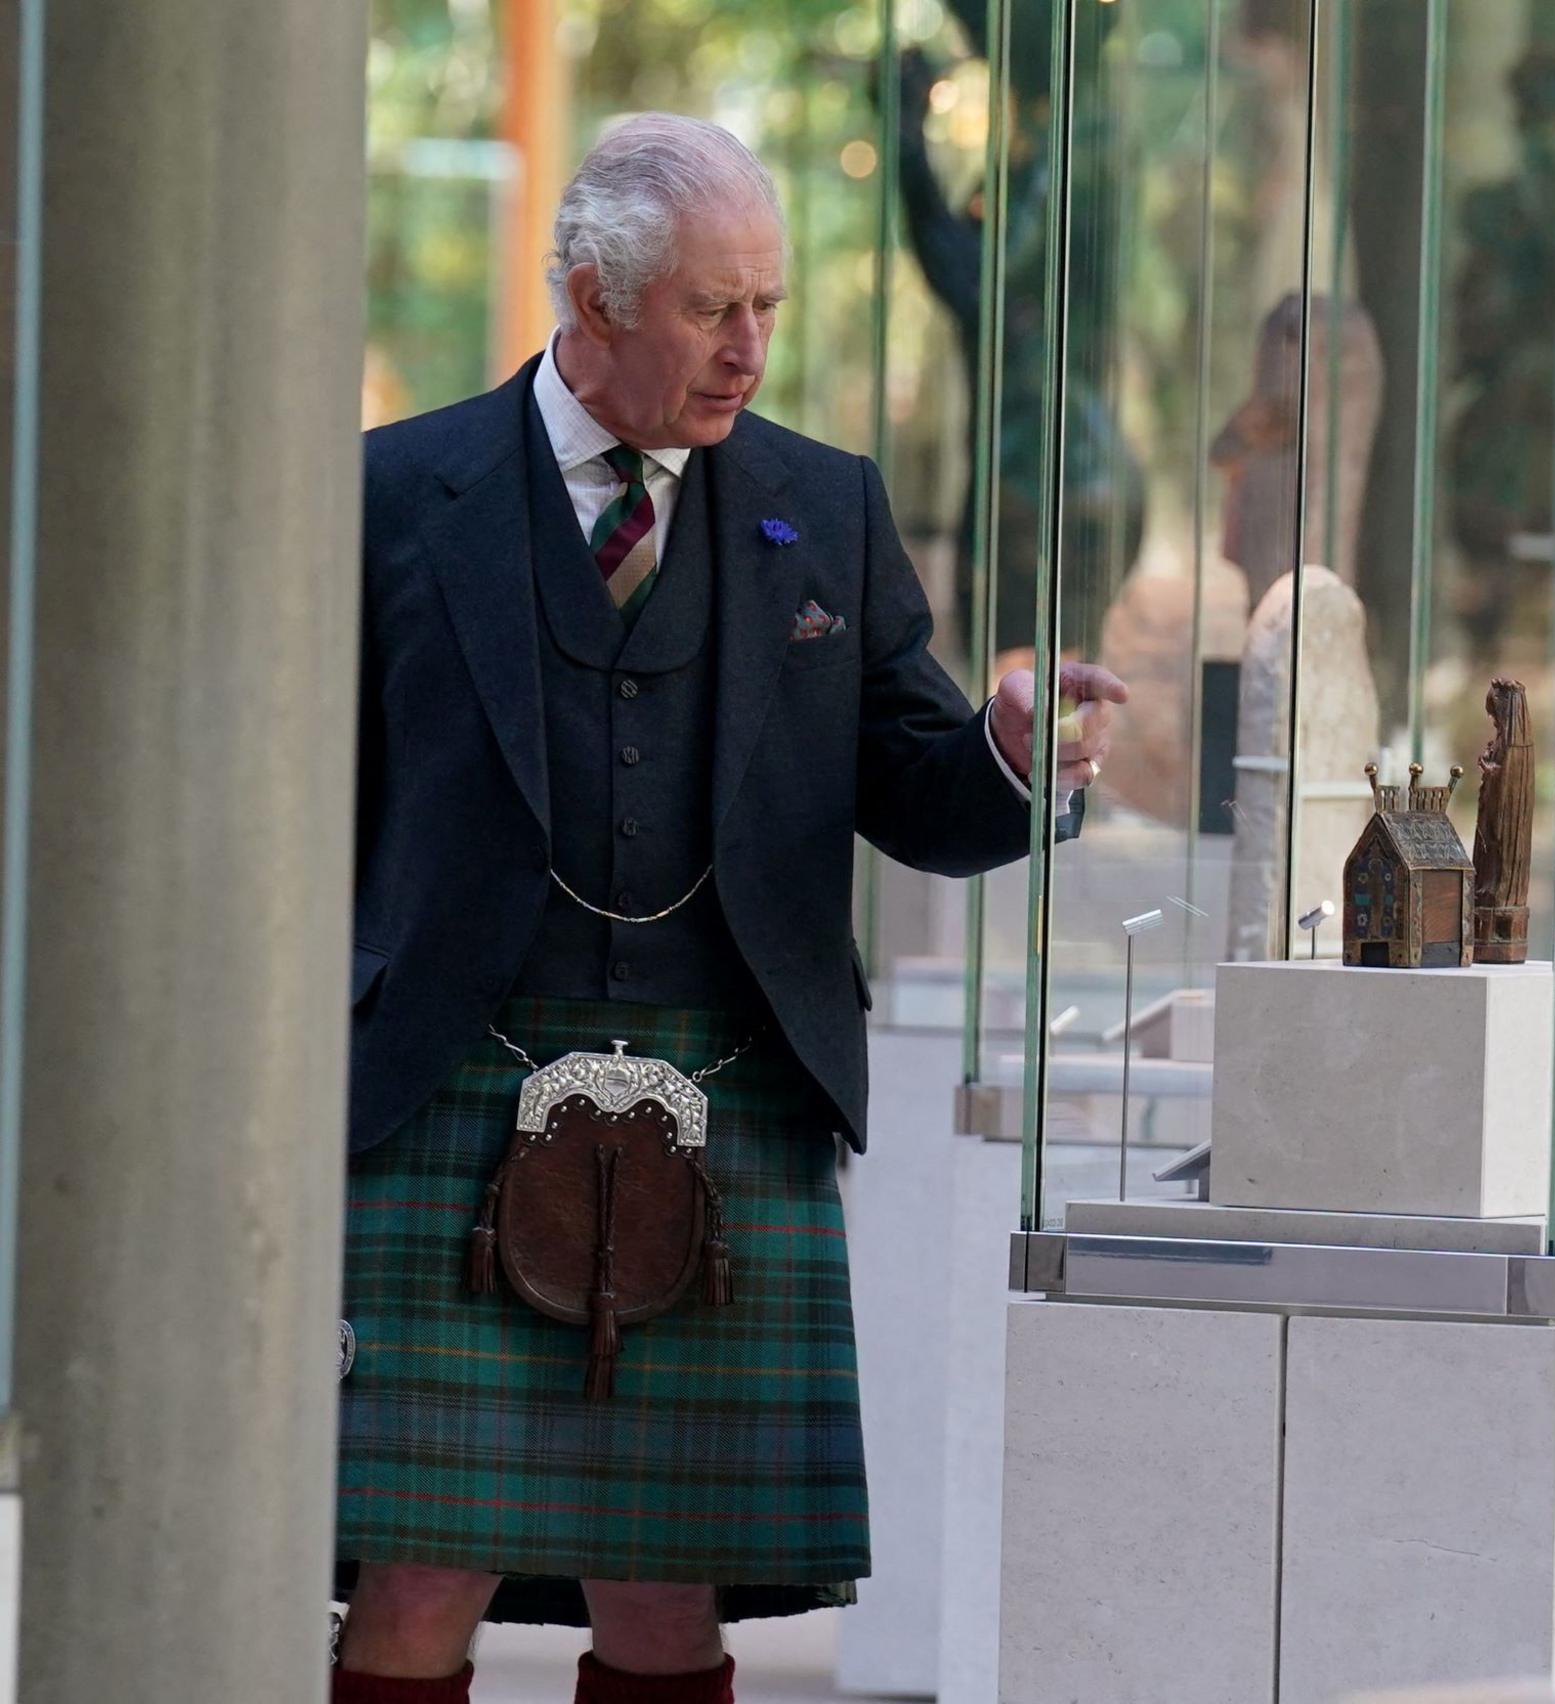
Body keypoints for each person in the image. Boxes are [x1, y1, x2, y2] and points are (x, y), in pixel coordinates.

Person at [331, 114, 1123, 1704]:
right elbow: (305, 804)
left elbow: (914, 781)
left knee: (666, 1599)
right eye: (712, 308)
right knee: (418, 1581)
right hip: (445, 1075)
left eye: (768, 304)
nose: (751, 347)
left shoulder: (816, 506)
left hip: (728, 1083)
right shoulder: (395, 494)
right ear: (594, 296)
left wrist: (1013, 756)